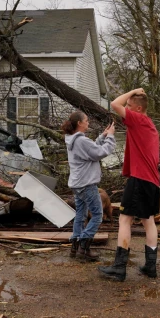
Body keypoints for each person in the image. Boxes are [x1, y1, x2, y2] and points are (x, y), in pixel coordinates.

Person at [98, 88, 160, 281]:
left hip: (140, 179)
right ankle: (151, 267)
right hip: (151, 181)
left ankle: (119, 268)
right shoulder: (149, 124)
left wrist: (133, 91)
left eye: (130, 106)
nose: (126, 108)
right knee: (148, 221)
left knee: (125, 220)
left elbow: (114, 103)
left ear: (139, 109)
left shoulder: (139, 119)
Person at [63, 111, 116, 261]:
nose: (88, 122)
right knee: (98, 215)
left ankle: (75, 245)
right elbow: (100, 152)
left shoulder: (73, 139)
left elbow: (90, 150)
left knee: (80, 214)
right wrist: (111, 137)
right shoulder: (81, 141)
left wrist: (102, 137)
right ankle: (83, 248)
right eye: (86, 120)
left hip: (77, 184)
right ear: (79, 123)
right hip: (86, 184)